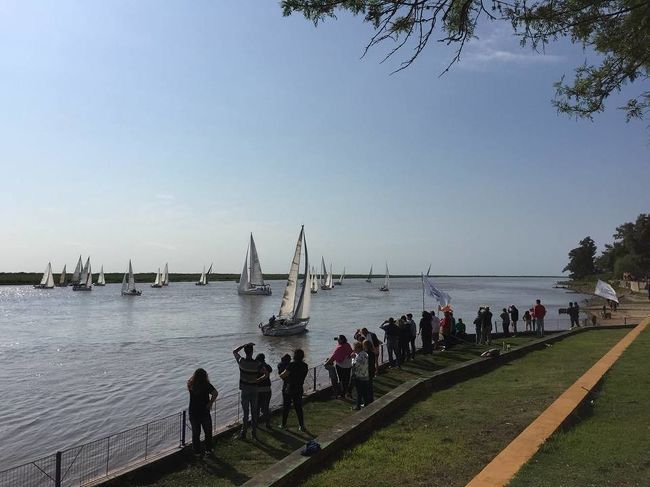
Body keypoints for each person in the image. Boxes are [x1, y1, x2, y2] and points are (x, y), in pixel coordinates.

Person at [233, 343, 267, 440]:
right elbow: (266, 374)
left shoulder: (241, 361)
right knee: (254, 412)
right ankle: (254, 433)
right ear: (252, 352)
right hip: (254, 389)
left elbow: (234, 351)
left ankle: (243, 433)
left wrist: (243, 345)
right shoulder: (257, 364)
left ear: (245, 351)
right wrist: (258, 380)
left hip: (245, 390)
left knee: (245, 413)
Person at [187, 368, 218, 455]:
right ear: (205, 376)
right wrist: (210, 403)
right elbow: (215, 393)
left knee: (196, 433)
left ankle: (197, 452)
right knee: (208, 432)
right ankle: (208, 449)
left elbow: (190, 381)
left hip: (193, 411)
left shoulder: (190, 384)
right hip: (204, 411)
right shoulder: (206, 385)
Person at [279, 349, 309, 431]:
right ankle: (301, 425)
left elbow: (282, 375)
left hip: (290, 388)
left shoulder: (291, 365)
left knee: (286, 407)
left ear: (294, 356)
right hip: (299, 387)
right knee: (298, 407)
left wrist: (282, 369)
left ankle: (283, 424)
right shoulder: (305, 365)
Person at [350, 342, 370, 410]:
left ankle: (357, 406)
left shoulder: (359, 356)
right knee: (364, 391)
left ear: (358, 348)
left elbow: (354, 365)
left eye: (354, 348)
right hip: (365, 375)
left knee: (359, 392)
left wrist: (353, 358)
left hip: (359, 376)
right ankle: (366, 403)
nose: (353, 349)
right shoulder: (365, 354)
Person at [255, 353, 273, 428]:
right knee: (265, 408)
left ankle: (255, 424)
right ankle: (267, 423)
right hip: (267, 389)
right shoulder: (268, 366)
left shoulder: (256, 367)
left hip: (258, 390)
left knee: (256, 408)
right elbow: (270, 370)